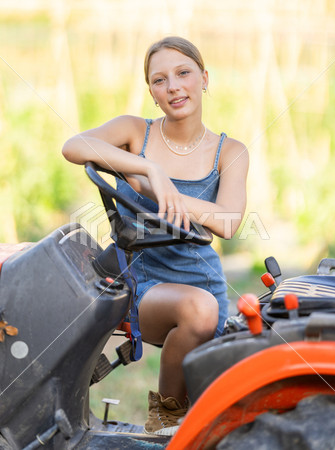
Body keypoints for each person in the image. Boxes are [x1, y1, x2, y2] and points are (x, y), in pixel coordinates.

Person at [62, 36, 249, 436]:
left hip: (202, 285)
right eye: (160, 80)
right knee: (197, 310)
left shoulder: (229, 152)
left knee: (209, 317)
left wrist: (156, 191)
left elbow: (229, 221)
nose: (174, 87)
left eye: (183, 73)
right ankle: (164, 420)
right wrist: (150, 170)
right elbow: (75, 146)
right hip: (139, 282)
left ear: (204, 78)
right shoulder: (136, 132)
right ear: (152, 92)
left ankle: (185, 423)